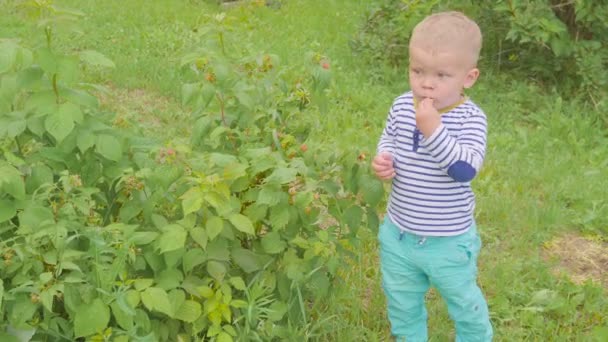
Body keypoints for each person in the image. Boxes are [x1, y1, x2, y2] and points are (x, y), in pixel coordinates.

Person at [371, 11, 493, 341]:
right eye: (417, 71)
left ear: (468, 77)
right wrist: (384, 159)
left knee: (463, 303)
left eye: (441, 75)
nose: (426, 82)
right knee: (402, 303)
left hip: (448, 242)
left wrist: (433, 130)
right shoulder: (401, 105)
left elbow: (464, 170)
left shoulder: (471, 120)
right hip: (399, 235)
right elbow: (389, 137)